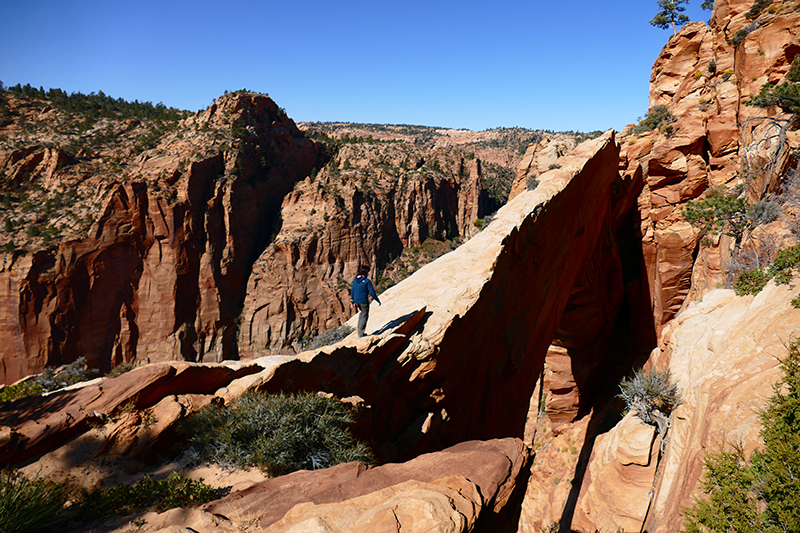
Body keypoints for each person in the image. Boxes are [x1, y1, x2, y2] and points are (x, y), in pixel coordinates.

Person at [350, 264, 381, 337]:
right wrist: (378, 300)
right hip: (363, 301)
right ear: (366, 272)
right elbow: (372, 292)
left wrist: (352, 301)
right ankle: (360, 333)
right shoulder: (367, 281)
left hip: (356, 301)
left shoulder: (355, 279)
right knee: (364, 315)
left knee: (362, 314)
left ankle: (359, 330)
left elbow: (352, 291)